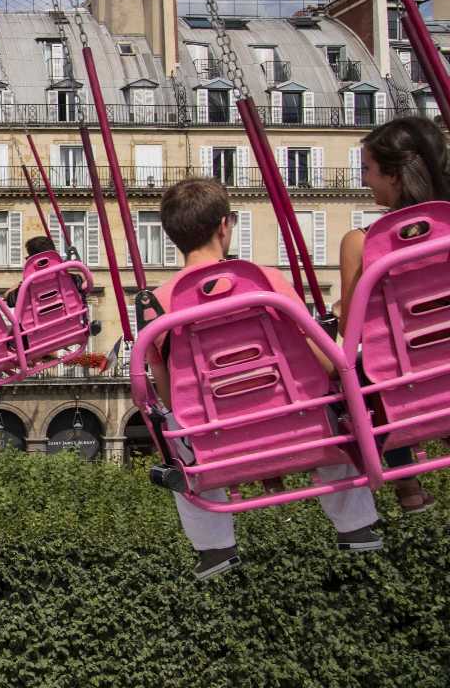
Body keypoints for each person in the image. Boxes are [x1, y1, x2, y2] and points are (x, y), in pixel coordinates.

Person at [147, 178, 382, 580]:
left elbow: (170, 394)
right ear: (225, 226)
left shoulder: (157, 305)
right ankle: (356, 523)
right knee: (332, 401)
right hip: (298, 422)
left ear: (172, 236)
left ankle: (213, 546)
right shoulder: (264, 281)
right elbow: (319, 358)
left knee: (170, 436)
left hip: (217, 438)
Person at [337, 115, 450, 513]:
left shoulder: (365, 244)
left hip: (404, 380)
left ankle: (406, 485)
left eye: (368, 169)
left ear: (396, 175)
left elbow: (354, 330)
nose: (365, 180)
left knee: (349, 382)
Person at [5, 235, 57, 307]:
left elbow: (10, 299)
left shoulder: (28, 286)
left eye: (28, 258)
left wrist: (23, 283)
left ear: (33, 259)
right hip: (69, 316)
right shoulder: (71, 279)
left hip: (39, 318)